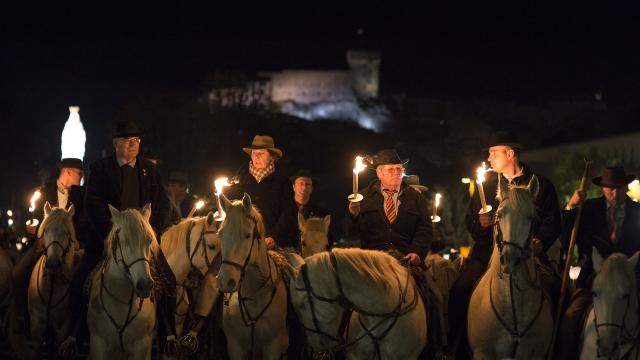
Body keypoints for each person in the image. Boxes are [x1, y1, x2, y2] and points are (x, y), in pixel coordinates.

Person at [62, 120, 177, 355]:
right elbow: (92, 204)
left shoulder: (150, 169)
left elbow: (163, 202)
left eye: (136, 140)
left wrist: (149, 230)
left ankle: (168, 335)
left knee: (169, 281)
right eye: (127, 140)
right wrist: (109, 232)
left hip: (142, 240)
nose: (133, 144)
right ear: (116, 144)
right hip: (107, 238)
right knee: (79, 283)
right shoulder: (101, 169)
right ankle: (75, 336)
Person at [448, 132, 562, 359]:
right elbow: (470, 220)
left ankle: (558, 348)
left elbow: (552, 220)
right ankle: (454, 348)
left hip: (530, 254)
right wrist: (479, 223)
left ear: (510, 154)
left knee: (559, 291)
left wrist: (540, 241)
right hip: (486, 255)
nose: (489, 158)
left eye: (493, 153)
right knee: (459, 289)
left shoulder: (540, 186)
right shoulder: (488, 187)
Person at [555, 166, 640, 359]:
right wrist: (571, 207)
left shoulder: (637, 211)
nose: (614, 192)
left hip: (631, 278)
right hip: (594, 278)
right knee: (571, 318)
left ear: (625, 187)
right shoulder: (590, 208)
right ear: (603, 188)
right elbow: (568, 238)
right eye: (610, 187)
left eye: (618, 187)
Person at [11, 158, 88, 337]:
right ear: (68, 172)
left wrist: (78, 242)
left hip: (71, 250)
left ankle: (80, 330)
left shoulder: (82, 196)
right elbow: (33, 218)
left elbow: (85, 222)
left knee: (88, 280)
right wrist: (31, 228)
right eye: (79, 172)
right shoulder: (44, 193)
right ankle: (23, 319)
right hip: (42, 247)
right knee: (17, 275)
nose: (82, 176)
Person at [347, 149, 432, 265]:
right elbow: (351, 232)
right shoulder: (363, 197)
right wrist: (354, 215)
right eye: (391, 169)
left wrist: (417, 253)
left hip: (406, 260)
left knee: (426, 282)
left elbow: (425, 230)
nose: (396, 172)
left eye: (399, 169)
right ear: (379, 173)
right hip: (373, 262)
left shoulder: (416, 198)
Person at [225, 135, 292, 248]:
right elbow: (230, 208)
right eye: (254, 153)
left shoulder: (283, 182)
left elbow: (289, 213)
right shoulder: (239, 179)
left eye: (261, 154)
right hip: (242, 242)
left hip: (272, 244)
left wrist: (274, 237)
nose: (256, 157)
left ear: (271, 156)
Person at [275, 169, 332, 252]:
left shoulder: (321, 213)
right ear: (294, 187)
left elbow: (328, 240)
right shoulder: (282, 209)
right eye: (301, 183)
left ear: (311, 188)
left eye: (308, 184)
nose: (304, 187)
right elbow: (277, 234)